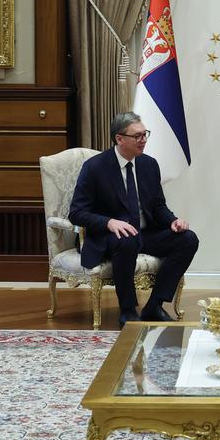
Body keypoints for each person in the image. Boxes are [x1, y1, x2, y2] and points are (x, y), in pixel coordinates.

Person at [69, 112, 198, 327]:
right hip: (110, 236)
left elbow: (157, 207)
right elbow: (77, 212)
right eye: (137, 136)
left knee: (188, 239)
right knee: (126, 239)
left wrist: (172, 221)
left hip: (145, 233)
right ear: (120, 139)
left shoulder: (149, 165)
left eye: (145, 134)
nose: (144, 140)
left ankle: (154, 305)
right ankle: (128, 310)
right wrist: (109, 222)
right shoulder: (95, 167)